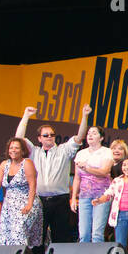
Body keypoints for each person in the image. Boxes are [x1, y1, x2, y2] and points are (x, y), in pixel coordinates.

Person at [15, 104, 91, 246]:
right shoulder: (34, 151)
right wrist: (25, 116)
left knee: (61, 238)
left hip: (60, 200)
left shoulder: (64, 150)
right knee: (37, 237)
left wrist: (84, 116)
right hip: (39, 200)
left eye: (52, 134)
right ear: (39, 138)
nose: (50, 137)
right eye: (46, 135)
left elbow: (80, 137)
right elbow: (18, 139)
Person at [0, 138, 43, 252]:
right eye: (11, 147)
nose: (13, 150)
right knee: (4, 235)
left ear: (22, 150)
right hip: (9, 205)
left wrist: (29, 204)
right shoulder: (5, 164)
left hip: (26, 203)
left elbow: (32, 185)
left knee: (19, 231)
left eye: (17, 147)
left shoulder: (27, 163)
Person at [72, 125, 114, 243]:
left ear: (101, 138)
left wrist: (86, 167)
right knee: (83, 233)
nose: (90, 135)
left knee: (97, 233)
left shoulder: (106, 152)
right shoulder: (81, 153)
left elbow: (104, 172)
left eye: (94, 133)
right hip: (84, 195)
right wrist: (74, 197)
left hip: (101, 195)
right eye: (89, 133)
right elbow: (77, 178)